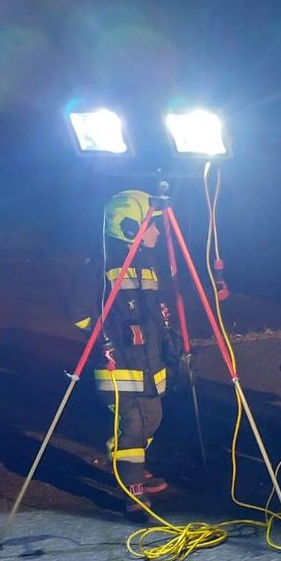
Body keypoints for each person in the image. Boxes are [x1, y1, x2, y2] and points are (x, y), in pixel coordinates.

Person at [68, 190, 176, 515]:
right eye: (151, 225)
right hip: (120, 364)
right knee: (132, 424)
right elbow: (78, 311)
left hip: (150, 364)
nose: (158, 232)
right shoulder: (102, 263)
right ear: (129, 227)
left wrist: (170, 338)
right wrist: (109, 336)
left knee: (153, 419)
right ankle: (133, 489)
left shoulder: (149, 263)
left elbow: (156, 309)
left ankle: (130, 463)